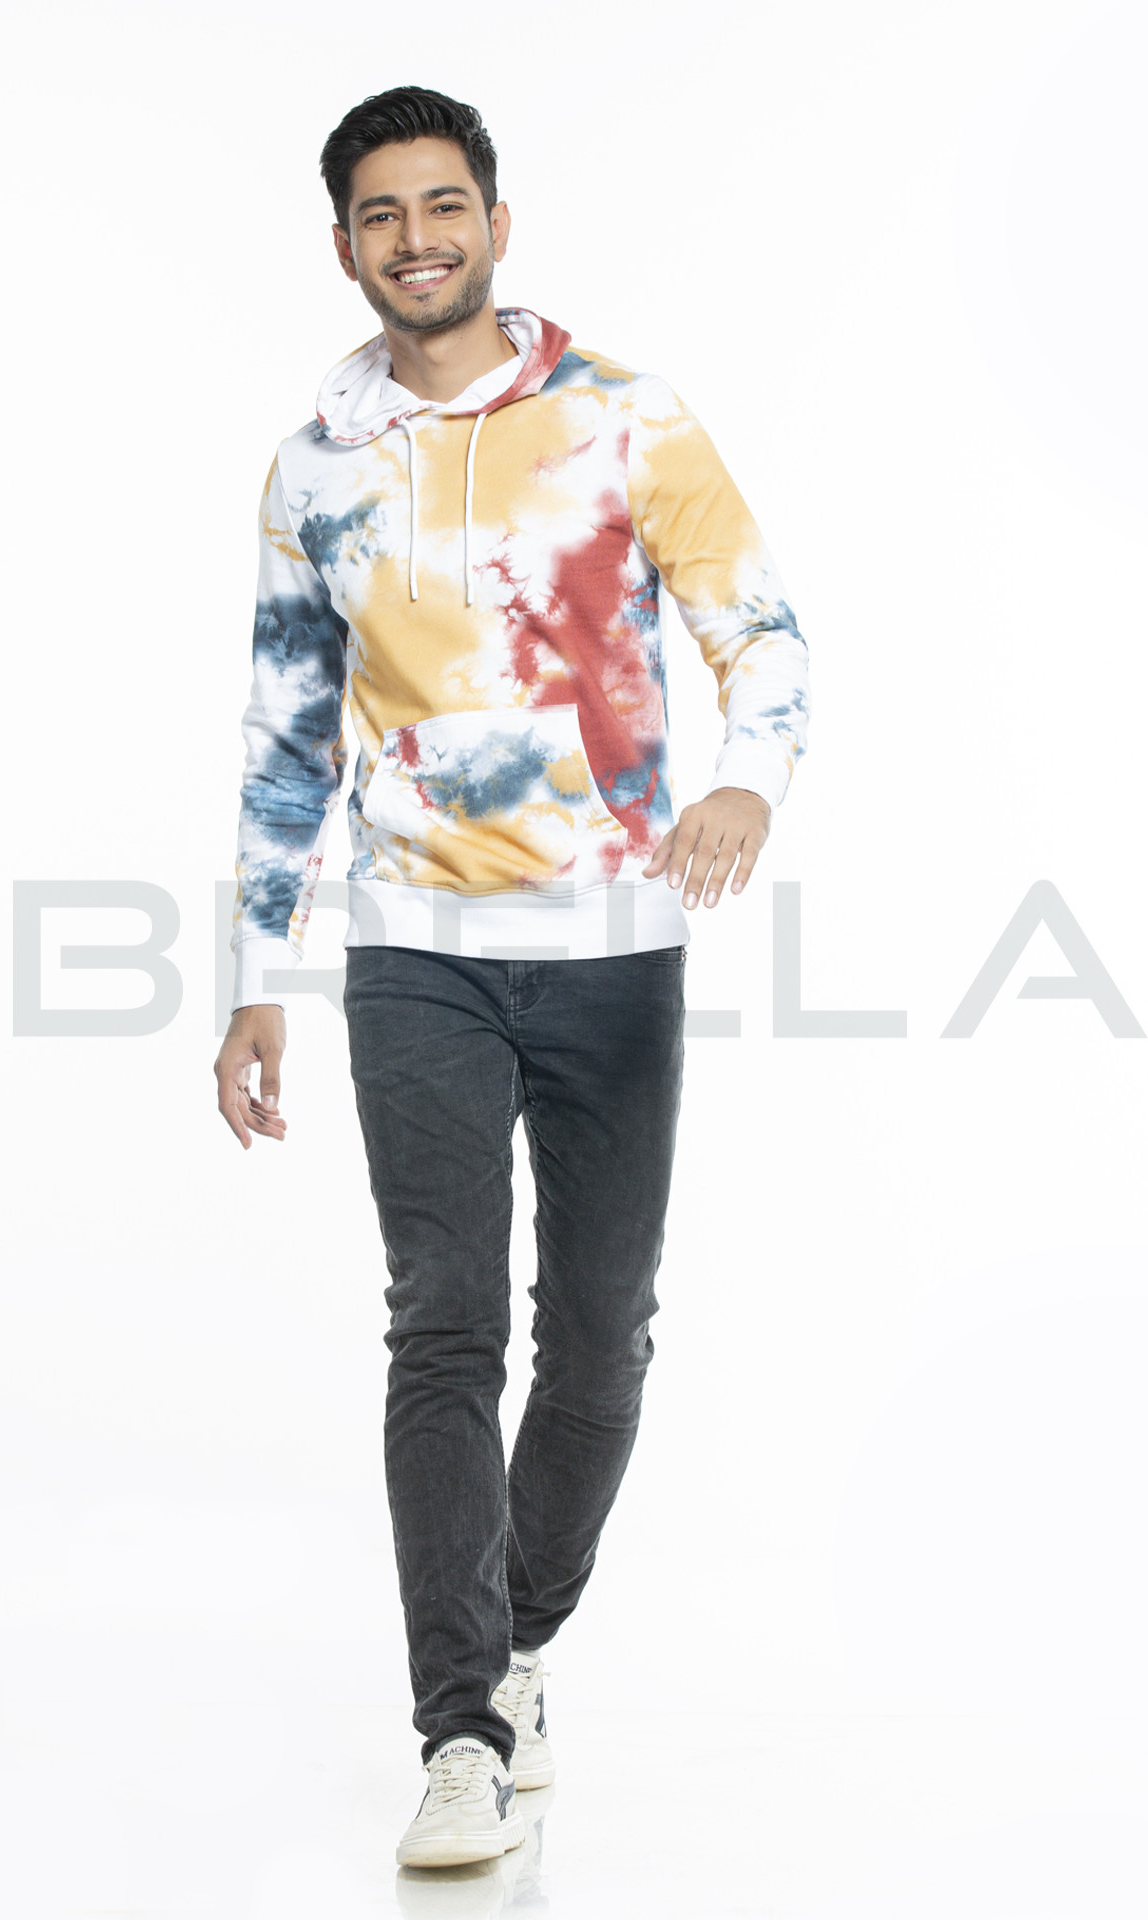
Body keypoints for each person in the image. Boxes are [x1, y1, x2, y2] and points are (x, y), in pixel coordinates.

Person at [213, 84, 810, 1871]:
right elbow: (286, 739)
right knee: (444, 1323)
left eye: (444, 204)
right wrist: (254, 976)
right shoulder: (313, 467)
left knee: (602, 1338)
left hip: (614, 948)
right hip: (415, 952)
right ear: (344, 244)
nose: (418, 239)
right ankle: (461, 1727)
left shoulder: (625, 415)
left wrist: (744, 781)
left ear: (494, 220)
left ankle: (520, 1640)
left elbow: (761, 628)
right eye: (382, 213)